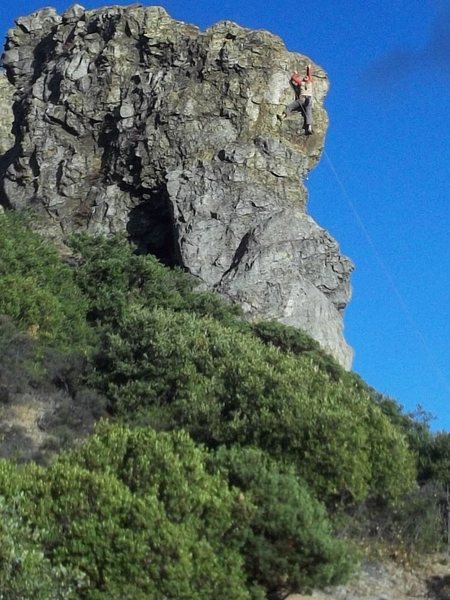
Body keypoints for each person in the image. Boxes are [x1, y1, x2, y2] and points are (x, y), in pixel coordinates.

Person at [279, 64, 314, 135]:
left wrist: (296, 73)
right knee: (308, 112)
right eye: (305, 77)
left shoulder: (303, 83)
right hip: (307, 99)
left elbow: (293, 78)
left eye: (306, 77)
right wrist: (308, 68)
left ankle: (283, 116)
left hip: (303, 99)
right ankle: (309, 127)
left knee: (291, 106)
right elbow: (307, 75)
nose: (306, 77)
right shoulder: (306, 82)